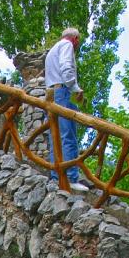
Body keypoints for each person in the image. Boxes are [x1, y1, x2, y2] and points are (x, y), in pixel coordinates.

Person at [44, 27, 86, 189]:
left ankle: (57, 174)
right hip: (61, 91)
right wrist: (75, 88)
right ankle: (70, 177)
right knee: (67, 134)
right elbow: (66, 67)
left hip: (53, 92)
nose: (77, 45)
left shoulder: (54, 49)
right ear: (75, 38)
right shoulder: (66, 46)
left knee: (56, 134)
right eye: (78, 41)